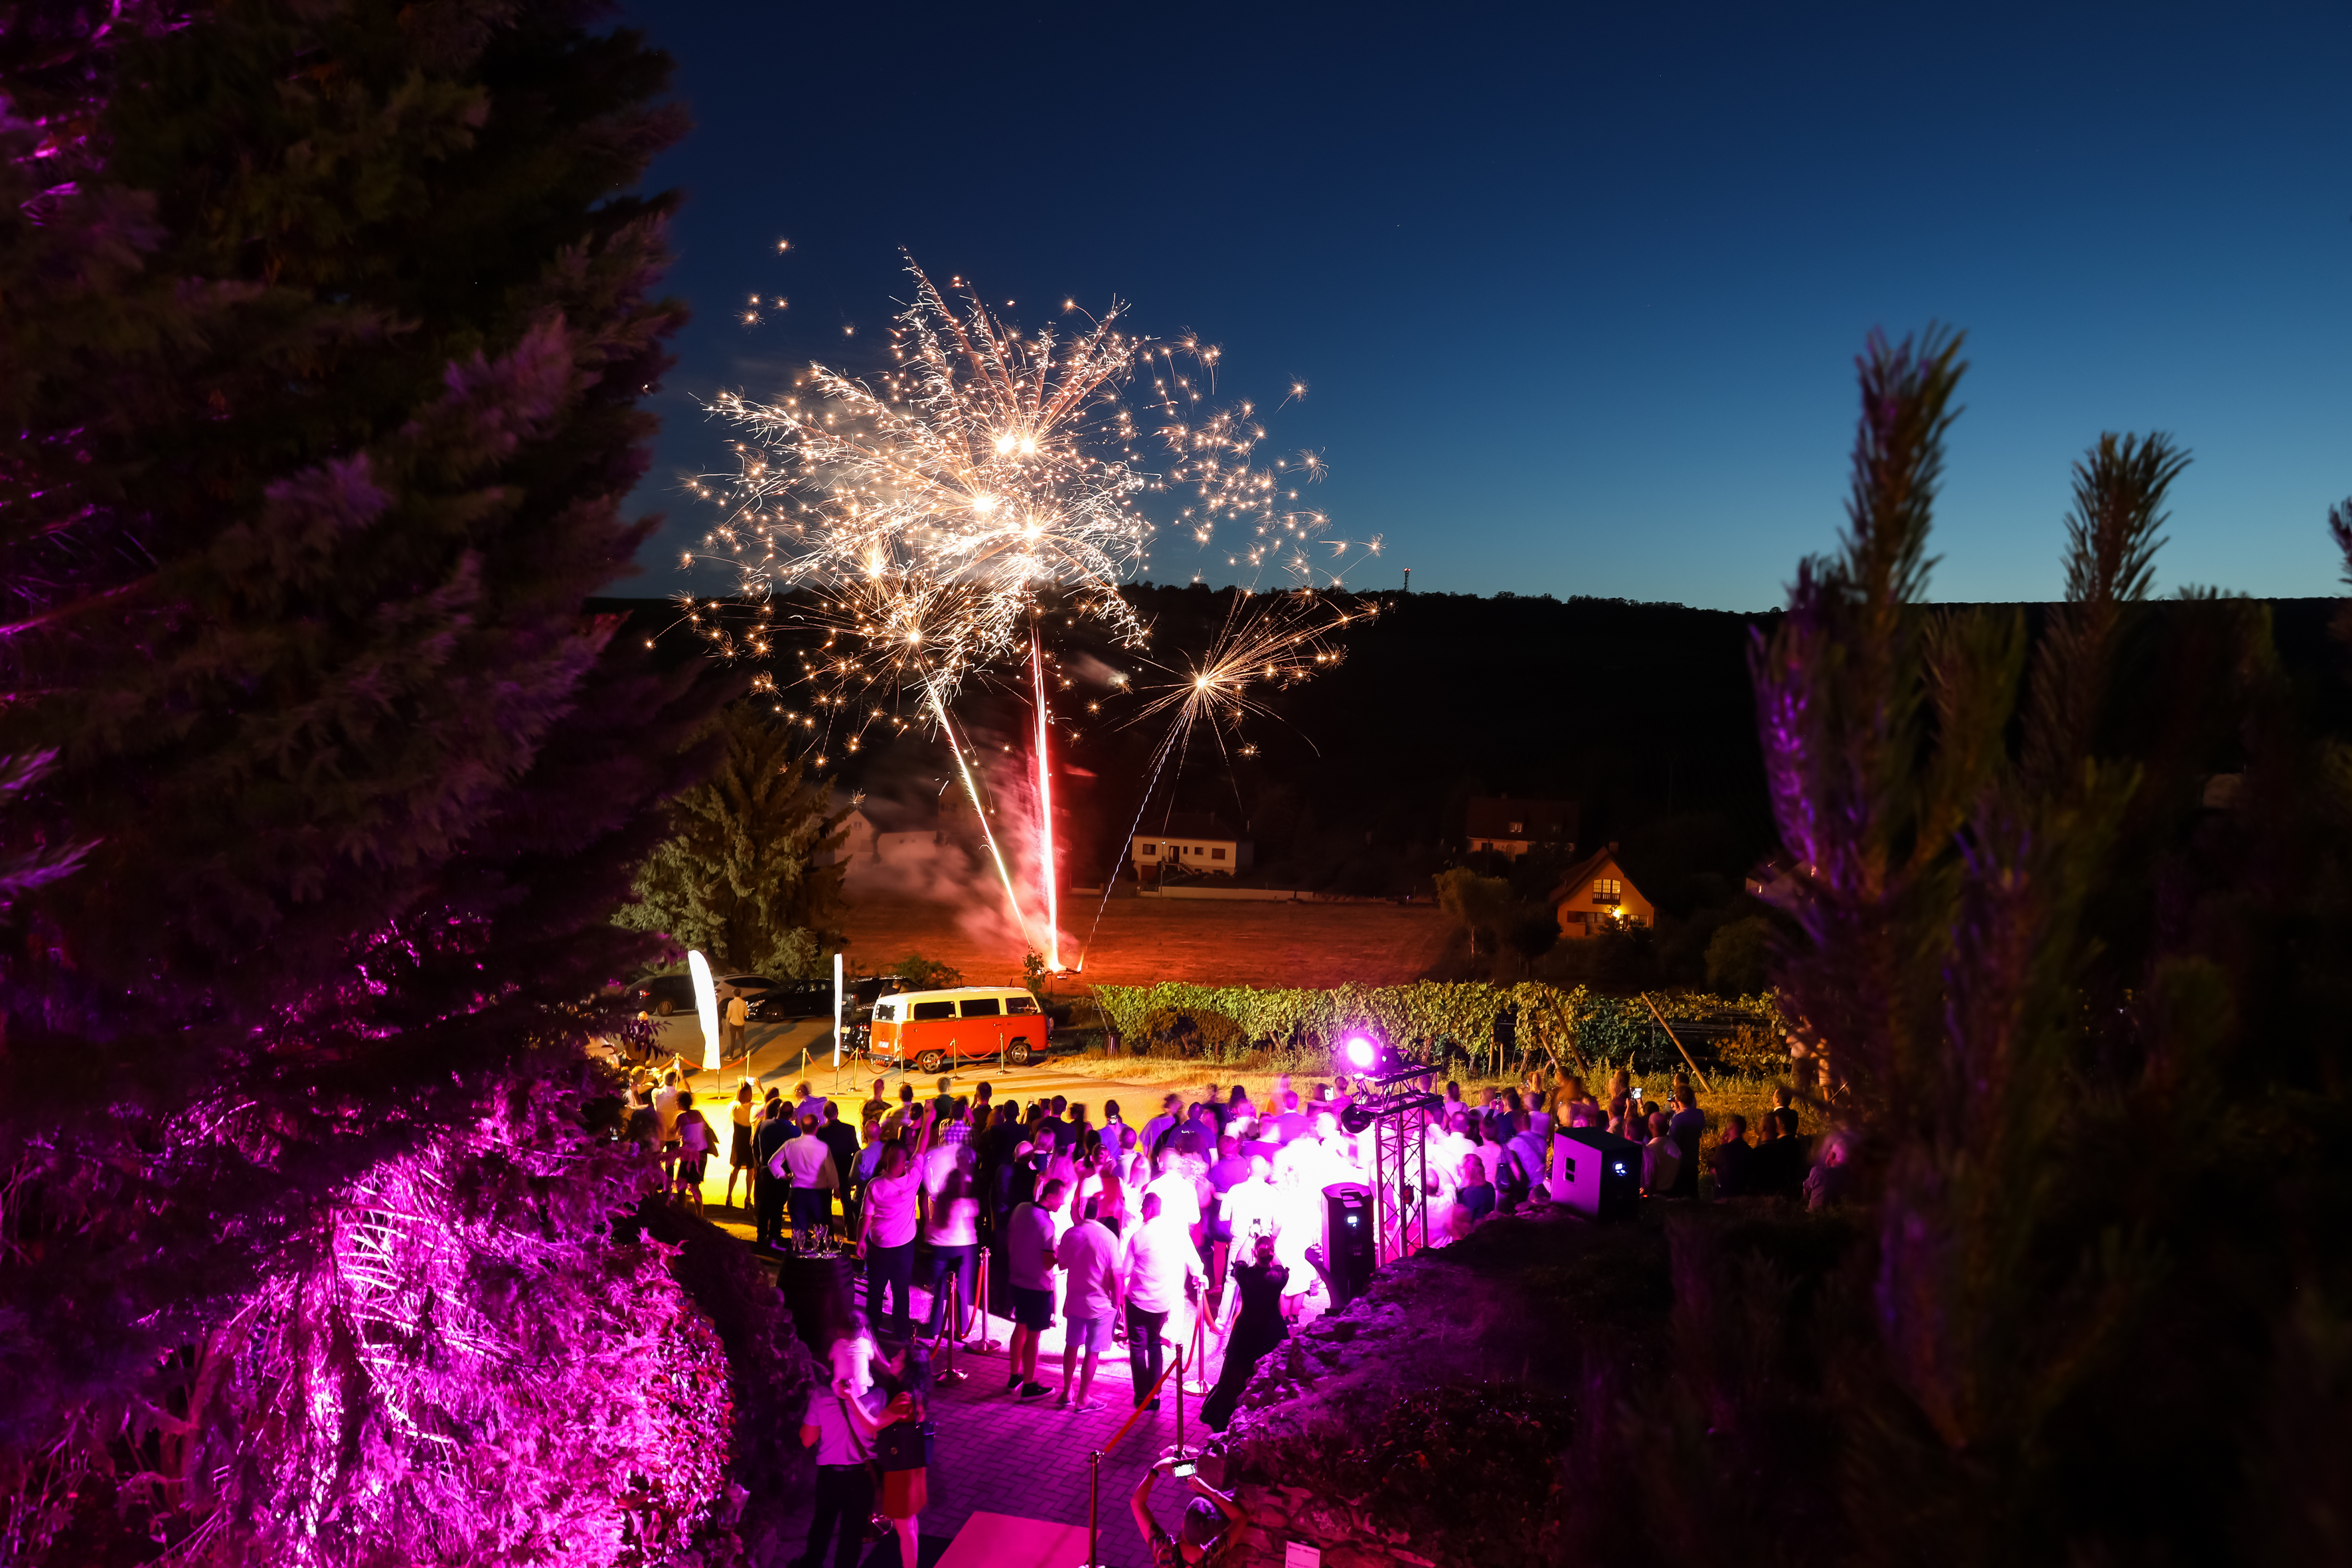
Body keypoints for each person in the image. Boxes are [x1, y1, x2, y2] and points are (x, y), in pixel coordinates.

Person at [837, 1337, 931, 1568]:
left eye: (899, 1357)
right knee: (910, 1521)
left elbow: (872, 1424)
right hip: (913, 1464)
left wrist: (850, 1398)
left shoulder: (903, 1399)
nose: (893, 1358)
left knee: (903, 1525)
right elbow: (882, 1363)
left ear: (908, 1367)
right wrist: (870, 1341)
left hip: (901, 1472)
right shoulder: (917, 1393)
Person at [856, 1109, 934, 1340]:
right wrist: (928, 1121)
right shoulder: (913, 1178)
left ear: (887, 1160)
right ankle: (901, 1331)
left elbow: (865, 1218)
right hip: (904, 1247)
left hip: (879, 1246)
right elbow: (921, 1148)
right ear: (903, 1161)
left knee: (875, 1290)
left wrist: (860, 1241)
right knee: (901, 1290)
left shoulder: (875, 1186)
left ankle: (872, 1329)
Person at [1123, 1191, 1205, 1411]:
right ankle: (1156, 1395)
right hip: (1162, 1303)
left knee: (1138, 1349)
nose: (1140, 1212)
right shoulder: (1176, 1232)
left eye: (1142, 1208)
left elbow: (1126, 1270)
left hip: (1138, 1301)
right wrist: (1199, 1275)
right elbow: (1194, 1261)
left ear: (1149, 1209)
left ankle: (1142, 1396)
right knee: (1155, 1346)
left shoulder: (1138, 1236)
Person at [1202, 1231, 1288, 1430]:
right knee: (1270, 1373)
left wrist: (1250, 1238)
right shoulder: (1277, 1278)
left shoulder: (1246, 1277)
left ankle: (1231, 1418)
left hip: (1246, 1333)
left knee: (1239, 1372)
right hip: (1272, 1332)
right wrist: (1269, 1246)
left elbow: (1238, 1261)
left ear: (1254, 1254)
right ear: (1271, 1255)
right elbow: (1280, 1266)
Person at [794, 1371, 878, 1568]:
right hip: (862, 1477)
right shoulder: (878, 1396)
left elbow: (807, 1440)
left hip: (830, 1476)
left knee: (821, 1526)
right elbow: (878, 1436)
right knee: (852, 1535)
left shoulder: (822, 1396)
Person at [1056, 1196, 1124, 1411]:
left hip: (1075, 1300)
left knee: (1072, 1346)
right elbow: (1117, 1276)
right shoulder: (1108, 1237)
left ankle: (1067, 1392)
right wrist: (1118, 1302)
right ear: (1099, 1213)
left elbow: (1062, 1263)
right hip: (1100, 1305)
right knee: (1093, 1352)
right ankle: (1083, 1398)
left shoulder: (1071, 1233)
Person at [1003, 1176, 1066, 1401]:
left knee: (1019, 1327)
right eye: (1061, 1198)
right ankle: (1029, 1385)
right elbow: (1049, 1262)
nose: (1063, 1203)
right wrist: (1061, 1254)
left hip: (1017, 1280)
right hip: (1038, 1287)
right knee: (1033, 1337)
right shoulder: (1047, 1224)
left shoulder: (1021, 1209)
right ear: (1049, 1197)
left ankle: (1014, 1377)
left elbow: (1011, 1239)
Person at [920, 1108, 980, 1341]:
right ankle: (961, 1328)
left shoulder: (941, 1201)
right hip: (963, 1247)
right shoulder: (967, 1204)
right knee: (962, 1289)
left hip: (940, 1246)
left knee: (940, 1289)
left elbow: (928, 1201)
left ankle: (935, 1327)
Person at [1130, 1455, 1246, 1567]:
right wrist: (1211, 1492)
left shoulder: (1163, 1550)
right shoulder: (1212, 1555)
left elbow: (1137, 1502)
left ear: (1183, 1523)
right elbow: (1241, 1517)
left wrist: (1158, 1467)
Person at [780, 1111, 839, 1252]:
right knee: (821, 1231)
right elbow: (831, 1171)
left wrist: (785, 1176)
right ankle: (820, 1260)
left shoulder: (790, 1144)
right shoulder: (823, 1147)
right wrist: (835, 1187)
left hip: (797, 1191)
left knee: (799, 1232)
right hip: (818, 1194)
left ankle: (799, 1260)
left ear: (800, 1126)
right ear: (817, 1128)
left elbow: (773, 1163)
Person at [818, 1100, 862, 1243]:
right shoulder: (849, 1129)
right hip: (844, 1169)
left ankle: (828, 1233)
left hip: (825, 1170)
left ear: (824, 1114)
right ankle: (851, 1231)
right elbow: (855, 1150)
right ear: (837, 1112)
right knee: (846, 1201)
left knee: (825, 1203)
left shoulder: (820, 1131)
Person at [753, 1099, 793, 1251]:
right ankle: (774, 1236)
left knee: (765, 1203)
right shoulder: (793, 1131)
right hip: (783, 1172)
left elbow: (755, 1145)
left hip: (765, 1170)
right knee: (778, 1205)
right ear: (790, 1114)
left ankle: (761, 1235)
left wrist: (760, 1161)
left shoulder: (763, 1125)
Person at [672, 1091, 714, 1207]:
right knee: (695, 1186)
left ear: (681, 1103)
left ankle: (683, 1213)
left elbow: (672, 1133)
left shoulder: (681, 1117)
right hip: (701, 1154)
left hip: (689, 1155)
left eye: (677, 1101)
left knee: (681, 1186)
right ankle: (700, 1215)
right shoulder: (698, 1113)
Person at [724, 1081, 759, 1209]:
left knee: (736, 1168)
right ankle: (748, 1198)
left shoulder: (734, 1106)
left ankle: (729, 1196)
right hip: (750, 1141)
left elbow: (734, 1102)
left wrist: (739, 1088)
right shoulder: (753, 1107)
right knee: (751, 1170)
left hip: (738, 1140)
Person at [1668, 1087, 1707, 1199]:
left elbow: (1673, 1143)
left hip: (1680, 1164)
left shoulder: (1678, 1120)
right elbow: (1691, 1111)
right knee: (1693, 1194)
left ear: (1677, 1100)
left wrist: (1676, 1112)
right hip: (1693, 1161)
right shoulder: (1700, 1114)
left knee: (1678, 1197)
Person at [1706, 1114, 1753, 1198]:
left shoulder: (1725, 1149)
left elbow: (1712, 1166)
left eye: (1728, 1125)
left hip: (1726, 1195)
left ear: (1733, 1126)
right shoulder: (1749, 1149)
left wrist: (1723, 1143)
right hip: (1743, 1194)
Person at [1642, 1109, 1682, 1196]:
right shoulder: (1675, 1148)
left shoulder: (1649, 1151)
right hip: (1672, 1193)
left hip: (1654, 1195)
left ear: (1650, 1127)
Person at [724, 990, 749, 1061]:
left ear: (733, 994)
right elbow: (746, 1014)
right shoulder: (743, 1003)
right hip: (741, 1023)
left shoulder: (731, 1003)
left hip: (733, 1023)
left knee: (733, 1040)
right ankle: (743, 1055)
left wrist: (727, 1022)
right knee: (742, 1039)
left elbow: (728, 1014)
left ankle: (731, 1056)